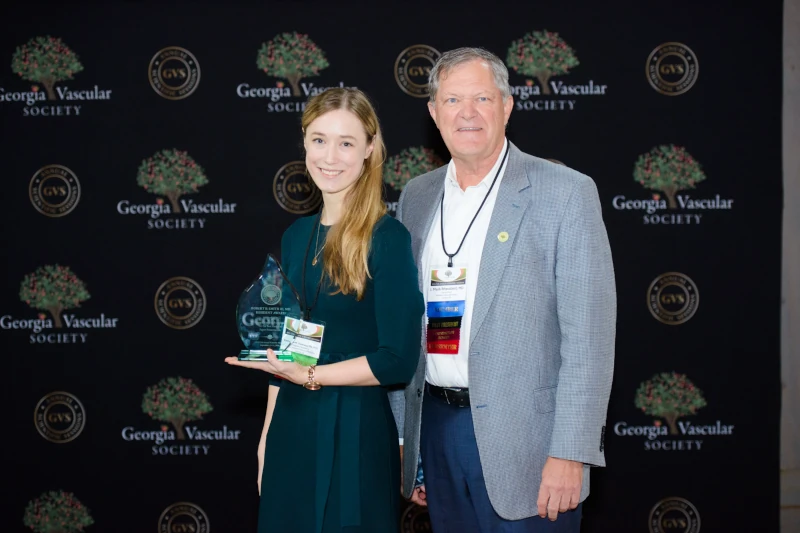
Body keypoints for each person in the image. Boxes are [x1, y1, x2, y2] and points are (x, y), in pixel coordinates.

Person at [390, 47, 616, 533]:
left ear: (507, 106)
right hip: (438, 432)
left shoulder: (566, 193)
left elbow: (589, 340)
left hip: (532, 450)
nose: (466, 113)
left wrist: (570, 452)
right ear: (433, 113)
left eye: (482, 98)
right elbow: (402, 325)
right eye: (452, 100)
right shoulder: (417, 196)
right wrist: (412, 446)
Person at [226, 87, 424, 533]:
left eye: (346, 142)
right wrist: (265, 439)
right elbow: (288, 342)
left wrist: (312, 376)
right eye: (318, 140)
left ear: (370, 149)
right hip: (292, 428)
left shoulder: (387, 238)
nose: (329, 156)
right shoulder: (297, 235)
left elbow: (398, 359)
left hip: (355, 428)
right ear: (304, 142)